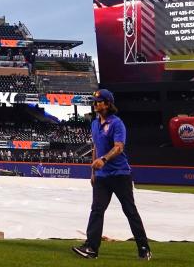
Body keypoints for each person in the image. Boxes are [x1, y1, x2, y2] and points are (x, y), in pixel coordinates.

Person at [73, 89, 151, 260]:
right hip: (102, 176)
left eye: (99, 101)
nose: (96, 104)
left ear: (108, 104)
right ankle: (91, 248)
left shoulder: (117, 123)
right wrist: (93, 172)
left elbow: (119, 147)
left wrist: (104, 160)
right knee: (96, 210)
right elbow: (95, 147)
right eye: (95, 102)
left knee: (130, 211)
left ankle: (144, 247)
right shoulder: (94, 123)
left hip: (120, 174)